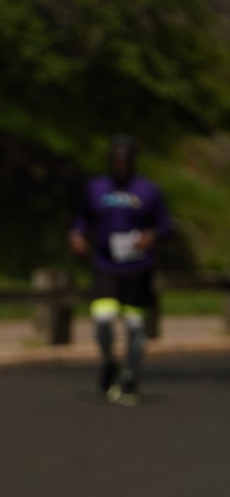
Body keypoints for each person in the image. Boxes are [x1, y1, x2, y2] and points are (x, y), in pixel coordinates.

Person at [69, 134, 171, 405]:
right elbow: (82, 219)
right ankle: (109, 363)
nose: (121, 164)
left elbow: (164, 226)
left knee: (135, 326)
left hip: (138, 267)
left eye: (125, 159)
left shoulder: (149, 190)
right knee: (103, 318)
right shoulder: (96, 188)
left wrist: (151, 236)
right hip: (105, 264)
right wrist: (77, 236)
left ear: (133, 160)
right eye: (117, 159)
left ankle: (129, 376)